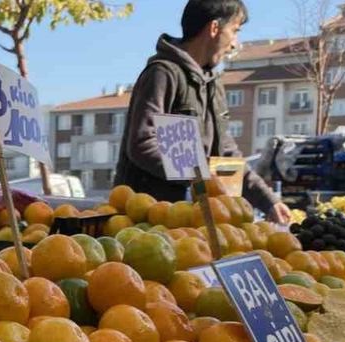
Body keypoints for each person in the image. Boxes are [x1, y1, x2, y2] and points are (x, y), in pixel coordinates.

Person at [115, 0, 290, 224]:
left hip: (191, 223)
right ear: (214, 28)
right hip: (146, 222)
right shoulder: (164, 74)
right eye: (235, 31)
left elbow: (227, 157)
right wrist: (201, 174)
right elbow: (143, 144)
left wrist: (268, 201)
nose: (235, 44)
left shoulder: (213, 85)